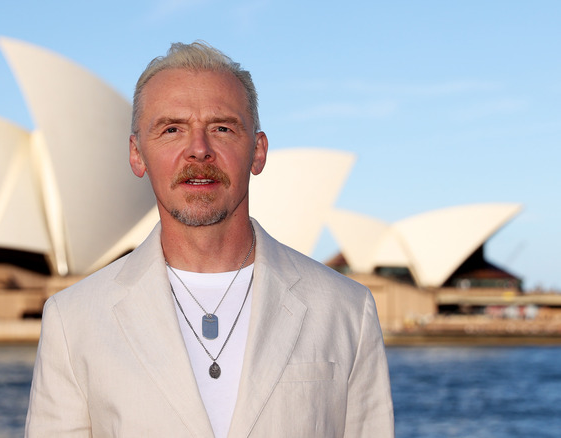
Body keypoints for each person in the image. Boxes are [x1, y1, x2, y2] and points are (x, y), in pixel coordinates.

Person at [25, 41, 394, 437]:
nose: (199, 150)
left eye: (221, 128)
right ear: (137, 154)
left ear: (257, 151)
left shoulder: (346, 312)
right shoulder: (74, 320)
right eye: (172, 129)